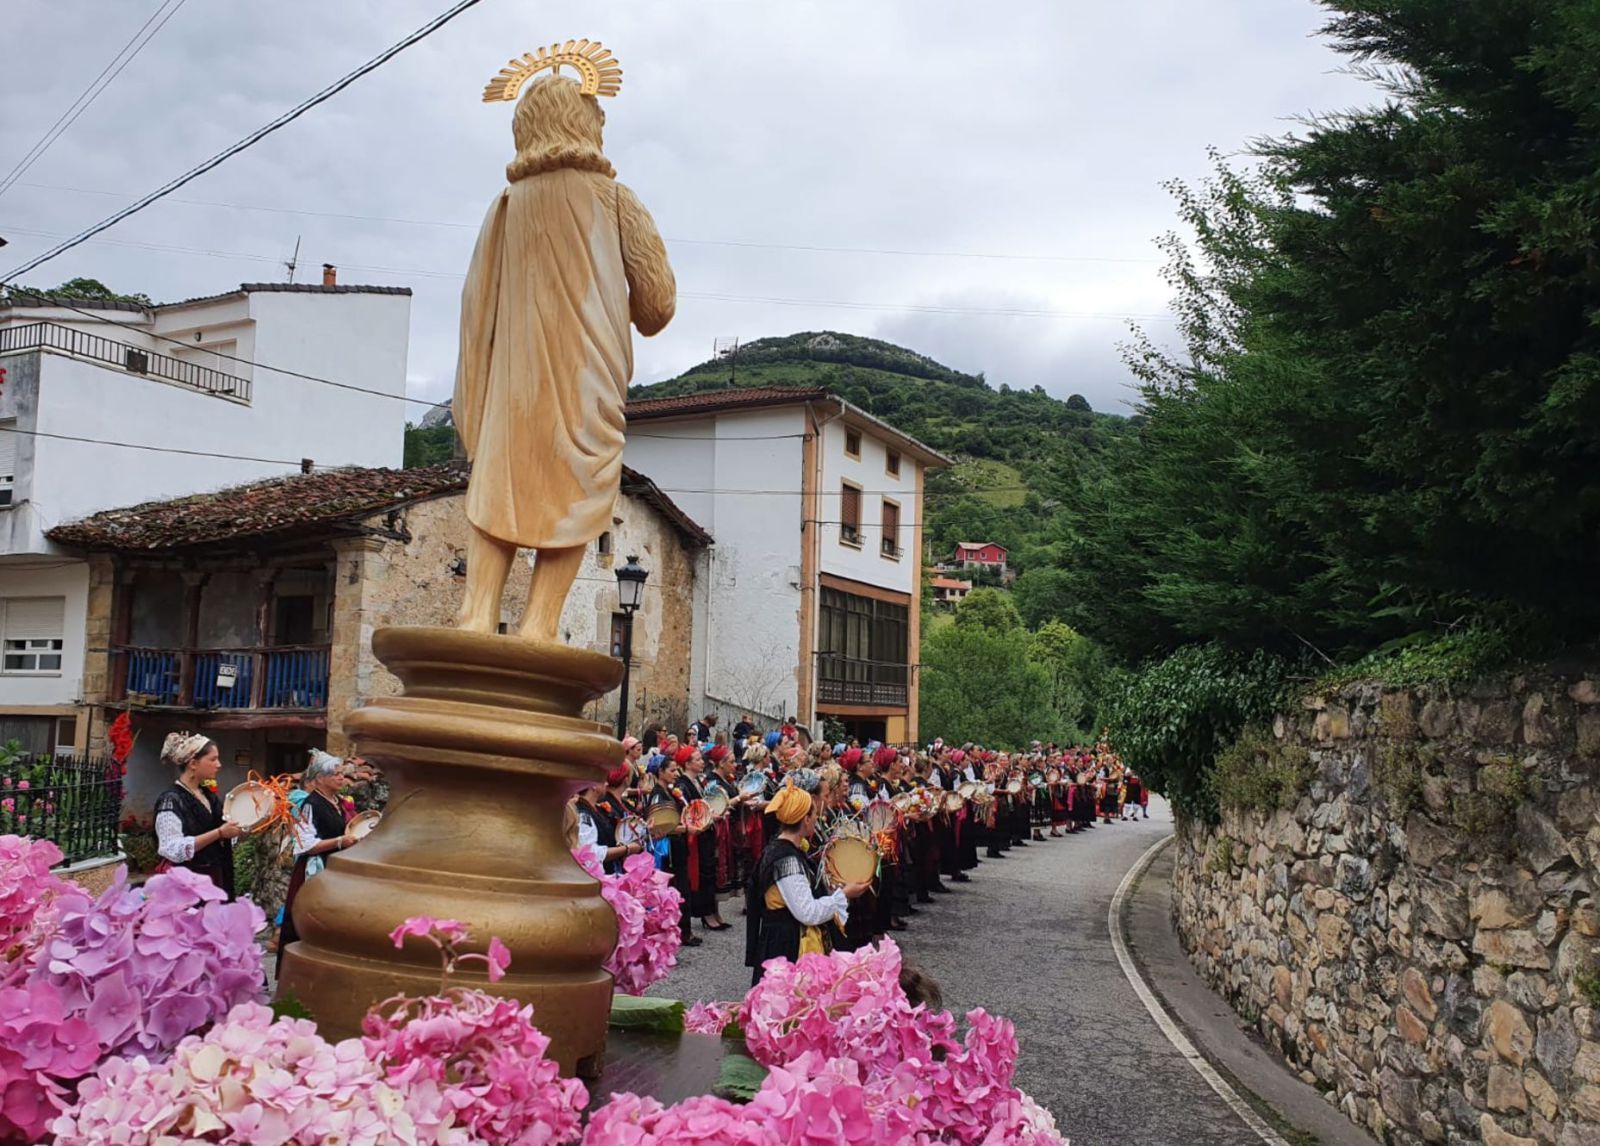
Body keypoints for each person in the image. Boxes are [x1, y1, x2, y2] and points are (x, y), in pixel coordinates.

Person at [745, 783, 869, 984]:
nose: (816, 819)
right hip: (787, 946)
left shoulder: (784, 849)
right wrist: (843, 895)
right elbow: (807, 912)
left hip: (784, 938)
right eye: (813, 814)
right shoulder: (787, 860)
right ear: (805, 819)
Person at [277, 750, 359, 975]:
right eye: (336, 774)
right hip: (315, 869)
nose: (341, 778)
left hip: (335, 869)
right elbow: (304, 844)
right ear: (319, 778)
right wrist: (340, 842)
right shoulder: (311, 804)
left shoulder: (339, 802)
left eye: (342, 773)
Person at [152, 732, 242, 899]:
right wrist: (219, 833)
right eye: (213, 759)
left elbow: (223, 831)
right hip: (188, 884)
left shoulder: (208, 796)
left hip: (216, 876)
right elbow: (172, 848)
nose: (219, 764)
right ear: (193, 763)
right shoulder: (171, 800)